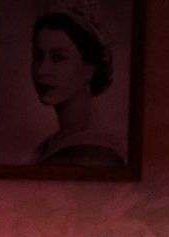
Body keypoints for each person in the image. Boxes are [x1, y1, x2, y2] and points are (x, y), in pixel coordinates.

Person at [29, 3, 125, 167]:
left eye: (58, 57)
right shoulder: (50, 144)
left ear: (90, 68)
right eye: (38, 56)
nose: (41, 70)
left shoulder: (96, 152)